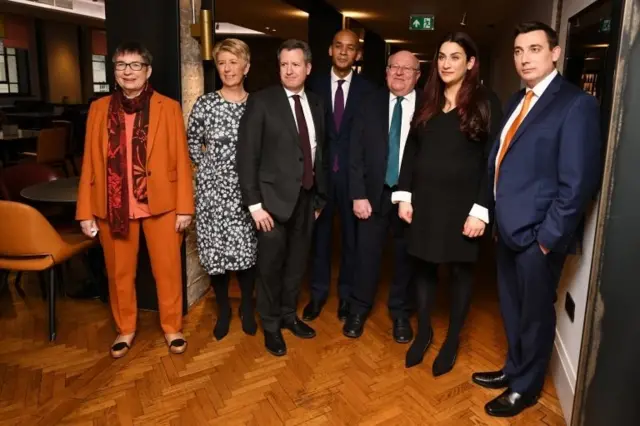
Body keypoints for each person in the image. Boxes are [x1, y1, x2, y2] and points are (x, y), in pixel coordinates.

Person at [472, 22, 602, 417]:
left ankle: (525, 389)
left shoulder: (576, 105)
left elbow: (577, 183)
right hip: (507, 229)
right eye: (518, 51)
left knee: (534, 315)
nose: (524, 58)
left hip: (537, 238)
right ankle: (514, 369)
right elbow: (502, 160)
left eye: (534, 49)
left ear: (555, 53)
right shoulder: (517, 99)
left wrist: (546, 239)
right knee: (513, 309)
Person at [76, 41, 194, 358]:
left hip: (162, 205)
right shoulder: (98, 109)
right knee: (119, 274)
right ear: (114, 71)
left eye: (135, 65)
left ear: (148, 70)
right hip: (113, 206)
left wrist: (185, 207)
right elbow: (89, 163)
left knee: (167, 271)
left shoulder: (168, 107)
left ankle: (172, 327)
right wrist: (85, 212)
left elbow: (182, 161)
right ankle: (125, 328)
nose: (128, 72)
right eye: (121, 65)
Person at [396, 33, 503, 375]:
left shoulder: (486, 101)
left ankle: (453, 338)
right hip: (425, 202)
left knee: (460, 272)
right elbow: (411, 150)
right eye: (441, 56)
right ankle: (424, 332)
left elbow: (493, 161)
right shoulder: (428, 98)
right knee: (423, 267)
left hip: (464, 207)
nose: (446, 63)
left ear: (470, 63)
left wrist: (481, 210)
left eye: (455, 57)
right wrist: (404, 194)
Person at [237, 39, 328, 357]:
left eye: (295, 64)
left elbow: (319, 153)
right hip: (270, 205)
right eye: (284, 64)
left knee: (296, 265)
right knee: (270, 268)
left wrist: (319, 199)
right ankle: (271, 325)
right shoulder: (262, 102)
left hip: (306, 200)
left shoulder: (316, 103)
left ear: (308, 68)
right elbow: (247, 156)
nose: (289, 70)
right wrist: (255, 206)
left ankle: (289, 315)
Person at [343, 51, 420, 343]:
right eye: (393, 67)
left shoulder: (429, 106)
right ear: (386, 72)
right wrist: (358, 194)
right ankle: (358, 309)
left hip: (410, 197)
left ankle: (401, 313)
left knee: (405, 257)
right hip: (372, 195)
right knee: (366, 255)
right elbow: (354, 152)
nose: (399, 73)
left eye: (406, 69)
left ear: (417, 75)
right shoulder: (369, 102)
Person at [187, 38, 257, 341]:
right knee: (216, 255)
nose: (227, 69)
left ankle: (248, 308)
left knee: (246, 254)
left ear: (246, 67)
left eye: (233, 62)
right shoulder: (205, 104)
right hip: (213, 195)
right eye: (221, 63)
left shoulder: (257, 106)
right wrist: (211, 172)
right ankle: (224, 310)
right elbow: (192, 144)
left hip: (247, 195)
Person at [304, 29, 374, 322]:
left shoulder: (369, 91)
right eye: (339, 46)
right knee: (318, 239)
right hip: (319, 177)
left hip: (353, 178)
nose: (344, 52)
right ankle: (317, 295)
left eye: (350, 47)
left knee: (351, 241)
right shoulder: (312, 84)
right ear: (330, 50)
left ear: (358, 54)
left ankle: (346, 296)